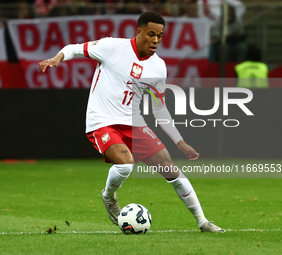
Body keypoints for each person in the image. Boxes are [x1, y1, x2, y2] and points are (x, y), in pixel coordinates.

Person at [38, 12, 225, 233]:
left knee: (171, 169)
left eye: (160, 36)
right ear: (139, 32)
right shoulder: (112, 47)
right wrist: (57, 58)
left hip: (133, 123)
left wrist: (179, 142)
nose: (155, 40)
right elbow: (75, 48)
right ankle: (109, 197)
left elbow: (158, 107)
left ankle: (203, 221)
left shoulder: (158, 67)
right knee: (126, 163)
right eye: (151, 34)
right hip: (102, 121)